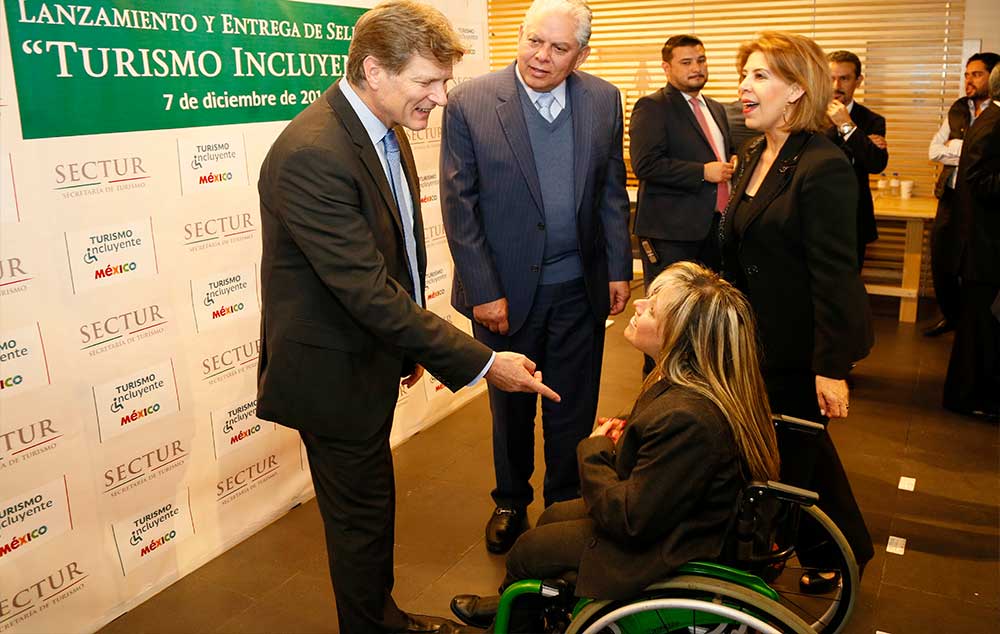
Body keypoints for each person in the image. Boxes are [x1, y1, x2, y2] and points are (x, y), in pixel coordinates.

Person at [256, 2, 560, 632]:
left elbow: (394, 260)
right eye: (427, 81)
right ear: (374, 69)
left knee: (370, 512)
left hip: (367, 356)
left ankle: (381, 616)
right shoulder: (315, 152)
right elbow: (366, 291)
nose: (441, 97)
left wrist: (408, 350)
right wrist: (481, 363)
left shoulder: (379, 126)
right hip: (330, 376)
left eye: (444, 82)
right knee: (359, 520)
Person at [443, 262, 781, 633]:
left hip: (671, 543)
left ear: (681, 337)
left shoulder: (688, 417)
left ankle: (514, 618)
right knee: (551, 516)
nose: (638, 305)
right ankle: (520, 603)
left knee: (528, 551)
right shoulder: (687, 387)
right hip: (678, 516)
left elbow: (628, 521)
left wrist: (595, 448)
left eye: (652, 309)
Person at [440, 0, 632, 555]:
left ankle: (563, 506)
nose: (540, 58)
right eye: (532, 41)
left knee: (572, 402)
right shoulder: (472, 101)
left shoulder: (602, 99)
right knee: (511, 408)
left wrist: (619, 266)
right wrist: (483, 289)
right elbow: (460, 204)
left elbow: (611, 191)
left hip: (580, 289)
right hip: (504, 294)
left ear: (582, 54)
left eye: (558, 48)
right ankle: (510, 500)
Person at [721, 31, 875, 591]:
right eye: (745, 74)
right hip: (756, 341)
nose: (743, 87)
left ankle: (773, 559)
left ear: (795, 90)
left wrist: (830, 368)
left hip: (797, 345)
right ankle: (842, 551)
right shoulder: (757, 155)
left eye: (760, 76)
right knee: (799, 452)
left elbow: (835, 275)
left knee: (791, 458)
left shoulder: (822, 164)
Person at [630, 34, 734, 374]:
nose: (696, 68)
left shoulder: (715, 108)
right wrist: (702, 172)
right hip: (671, 233)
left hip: (714, 228)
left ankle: (698, 379)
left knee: (703, 317)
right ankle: (658, 383)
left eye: (701, 60)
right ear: (667, 67)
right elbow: (646, 165)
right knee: (665, 317)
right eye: (686, 62)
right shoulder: (653, 106)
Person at [925, 52, 1000, 337]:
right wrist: (965, 151)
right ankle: (950, 316)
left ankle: (972, 323)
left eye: (976, 74)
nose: (969, 80)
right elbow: (934, 151)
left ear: (993, 77)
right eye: (967, 74)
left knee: (972, 266)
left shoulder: (996, 114)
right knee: (941, 258)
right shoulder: (958, 109)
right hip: (951, 197)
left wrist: (957, 147)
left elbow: (975, 160)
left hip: (981, 202)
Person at [944, 64, 1000, 419]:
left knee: (980, 328)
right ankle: (967, 398)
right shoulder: (993, 122)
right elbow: (977, 180)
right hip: (984, 244)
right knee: (978, 329)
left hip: (985, 243)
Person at [825, 50, 889, 269]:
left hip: (853, 218)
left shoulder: (872, 120)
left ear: (858, 81)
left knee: (848, 289)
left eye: (844, 78)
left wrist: (847, 126)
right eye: (831, 78)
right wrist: (860, 143)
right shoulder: (809, 115)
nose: (836, 85)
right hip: (813, 216)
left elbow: (876, 163)